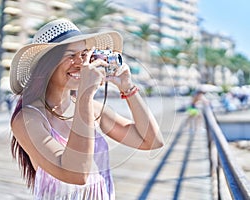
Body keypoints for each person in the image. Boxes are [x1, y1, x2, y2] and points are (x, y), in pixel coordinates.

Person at [9, 18, 164, 200]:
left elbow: (152, 141)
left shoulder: (92, 109)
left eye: (84, 55)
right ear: (46, 64)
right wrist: (85, 95)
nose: (80, 63)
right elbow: (76, 174)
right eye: (70, 55)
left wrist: (128, 88)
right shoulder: (28, 120)